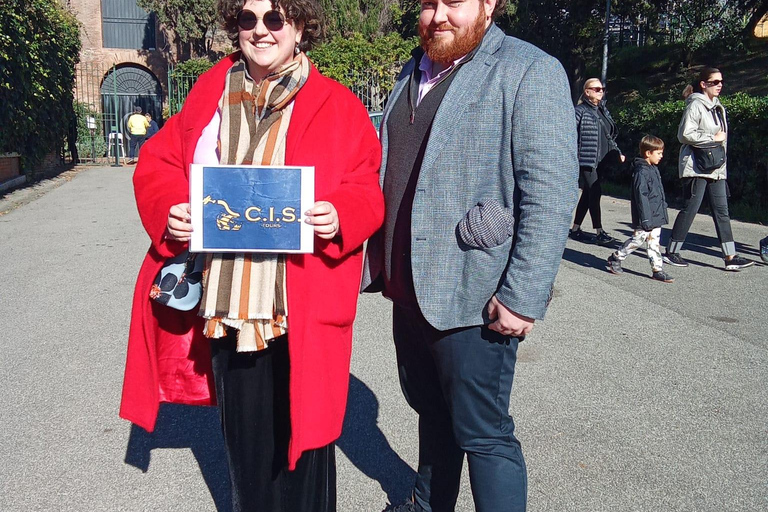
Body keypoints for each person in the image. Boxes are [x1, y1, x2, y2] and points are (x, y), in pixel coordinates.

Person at [119, 0, 385, 510]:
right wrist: (172, 209)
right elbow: (159, 162)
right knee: (245, 453)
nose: (261, 30)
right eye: (248, 18)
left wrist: (341, 214)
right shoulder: (209, 93)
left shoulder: (339, 104)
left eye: (275, 18)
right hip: (229, 306)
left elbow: (366, 188)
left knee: (304, 451)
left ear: (301, 26)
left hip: (300, 307)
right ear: (234, 26)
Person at [361, 0, 578, 510]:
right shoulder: (411, 70)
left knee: (485, 434)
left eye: (453, 2)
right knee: (432, 410)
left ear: (489, 5)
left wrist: (522, 295)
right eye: (429, 3)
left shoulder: (529, 70)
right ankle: (427, 501)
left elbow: (550, 192)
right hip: (409, 288)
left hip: (476, 292)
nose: (438, 14)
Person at [663, 67, 754, 271]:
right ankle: (671, 251)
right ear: (703, 84)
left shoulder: (718, 106)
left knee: (722, 211)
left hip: (716, 168)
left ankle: (730, 256)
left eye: (721, 81)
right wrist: (712, 138)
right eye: (715, 82)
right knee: (691, 208)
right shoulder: (695, 105)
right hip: (697, 166)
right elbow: (684, 135)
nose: (720, 85)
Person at [606, 135, 673, 283]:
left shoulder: (653, 169)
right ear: (648, 153)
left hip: (656, 214)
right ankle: (616, 257)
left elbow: (657, 192)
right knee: (638, 239)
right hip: (646, 216)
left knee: (654, 242)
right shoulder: (641, 172)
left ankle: (657, 269)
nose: (661, 156)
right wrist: (645, 218)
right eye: (659, 153)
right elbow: (641, 196)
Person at [570, 77, 625, 245]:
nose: (600, 91)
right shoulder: (579, 111)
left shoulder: (602, 110)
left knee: (588, 193)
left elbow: (609, 133)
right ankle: (599, 231)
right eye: (596, 89)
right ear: (587, 92)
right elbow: (571, 135)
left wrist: (618, 151)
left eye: (602, 89)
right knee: (595, 192)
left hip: (602, 158)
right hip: (586, 159)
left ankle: (575, 229)